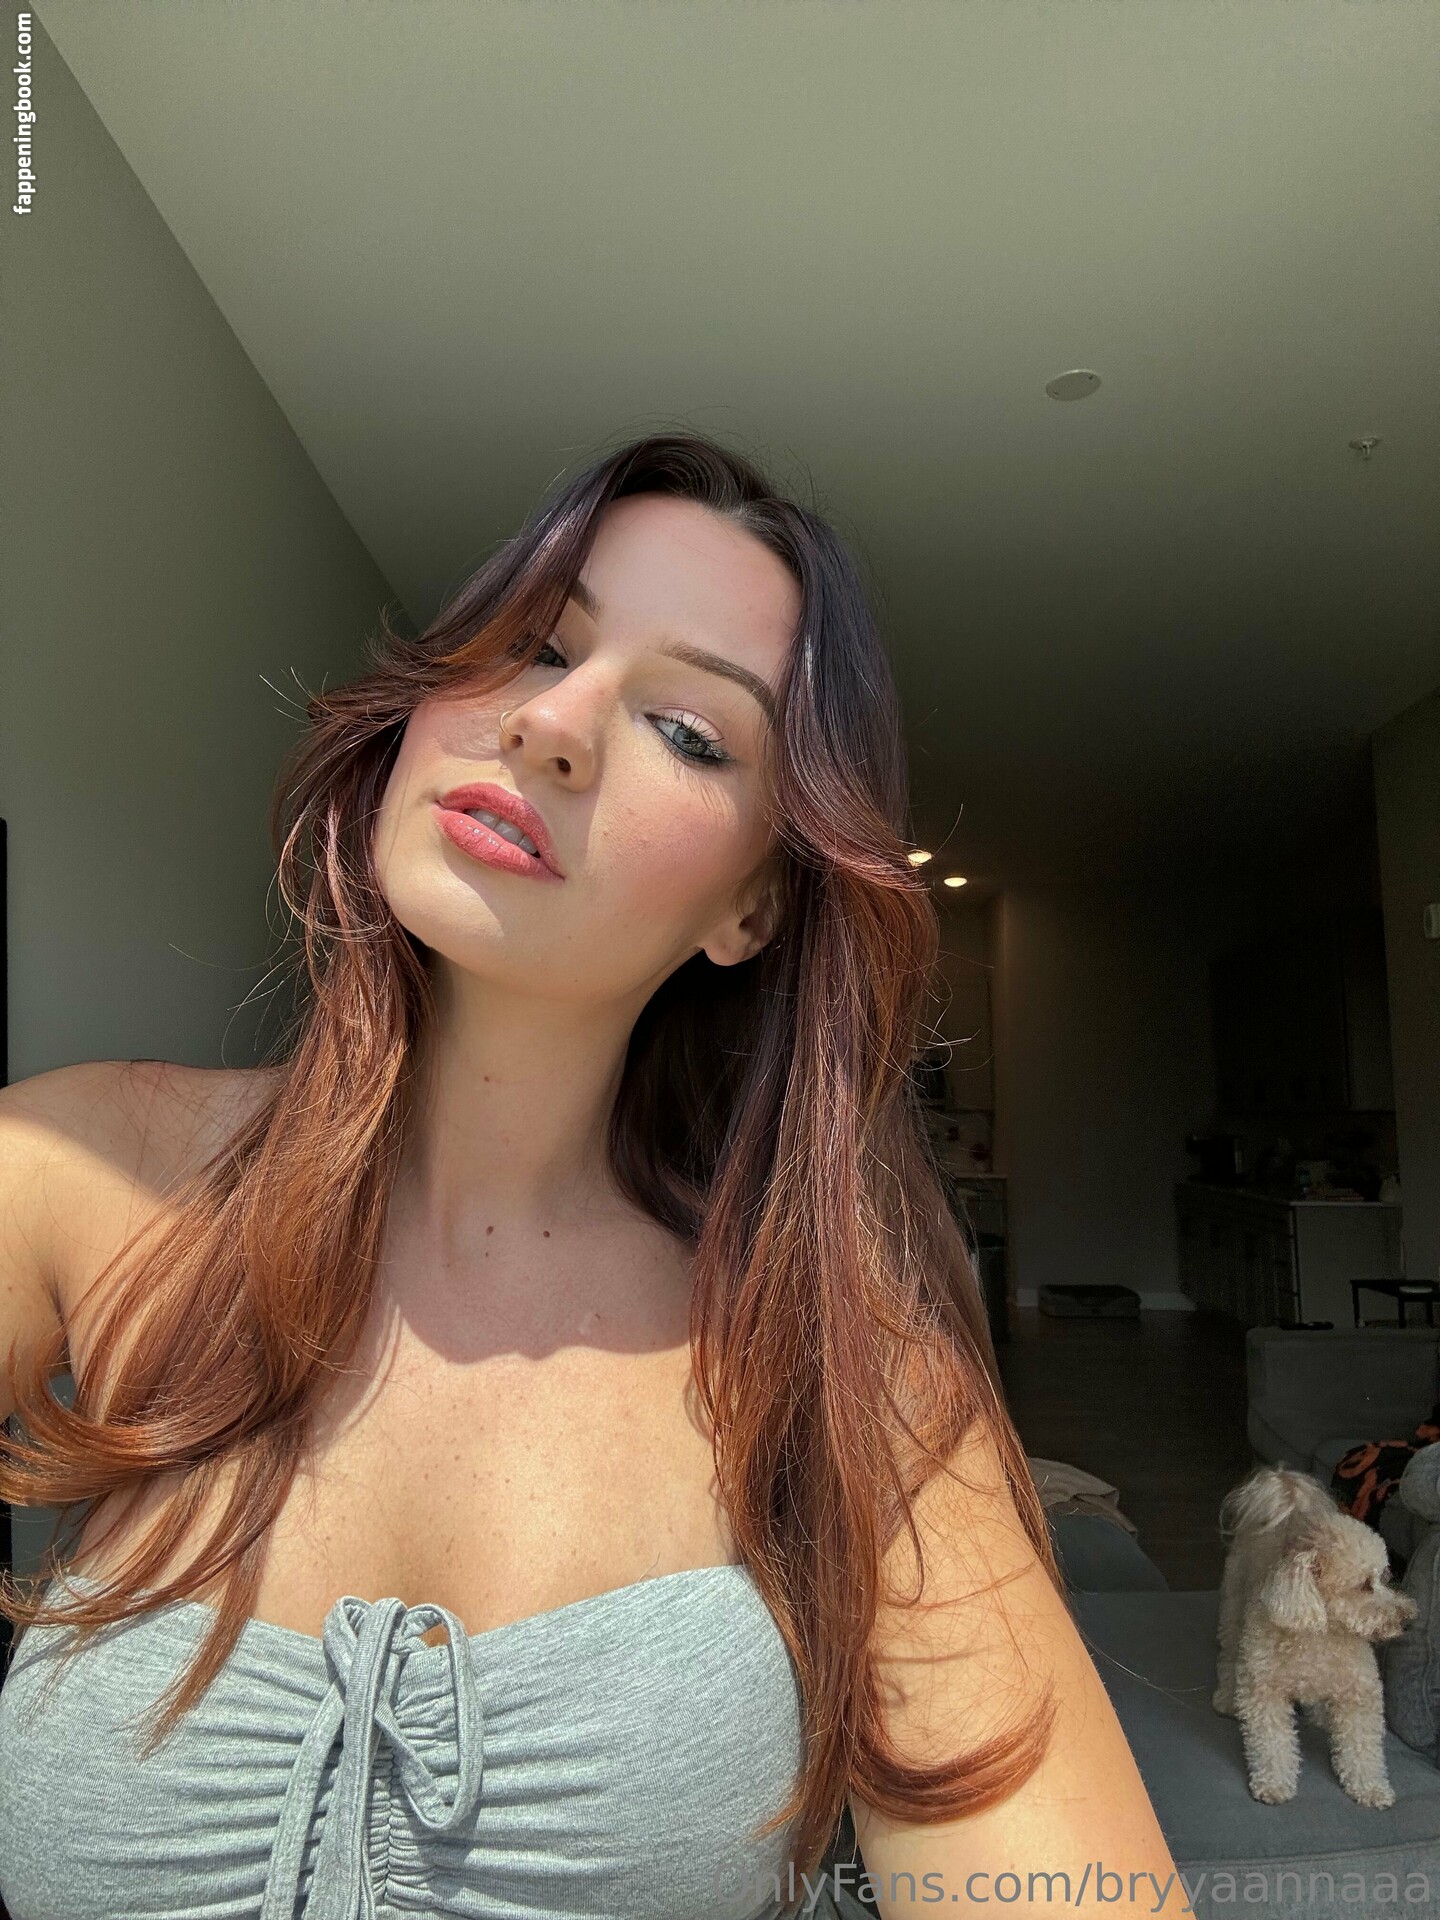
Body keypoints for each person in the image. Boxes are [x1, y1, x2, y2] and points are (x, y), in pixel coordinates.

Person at [0, 433, 1177, 1918]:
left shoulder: (843, 1359)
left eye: (688, 730)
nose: (552, 722)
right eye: (536, 645)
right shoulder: (68, 1175)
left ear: (753, 906)